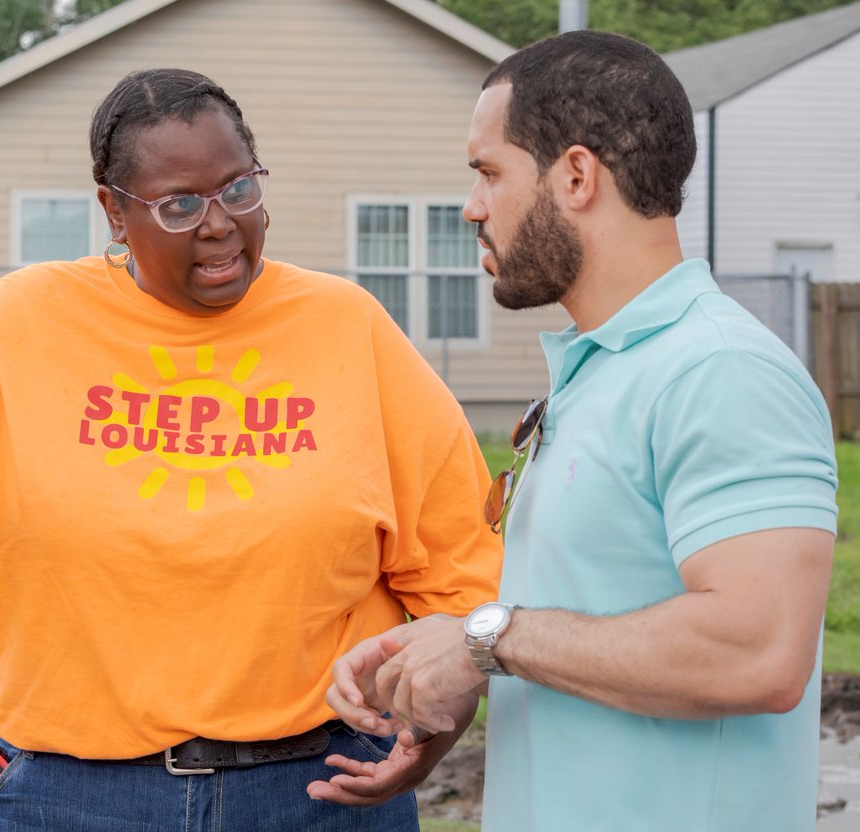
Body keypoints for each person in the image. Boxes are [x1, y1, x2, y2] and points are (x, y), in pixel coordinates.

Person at [0, 67, 502, 830]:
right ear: (114, 211)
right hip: (63, 801)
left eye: (238, 189)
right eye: (180, 205)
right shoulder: (11, 327)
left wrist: (436, 726)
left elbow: (458, 564)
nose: (219, 224)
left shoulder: (350, 329)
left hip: (316, 789)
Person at [325, 30, 839, 832]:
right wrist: (452, 667)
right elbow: (585, 624)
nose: (472, 207)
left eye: (489, 172)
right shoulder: (599, 372)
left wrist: (486, 639)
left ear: (575, 175)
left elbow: (759, 652)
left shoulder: (721, 370)